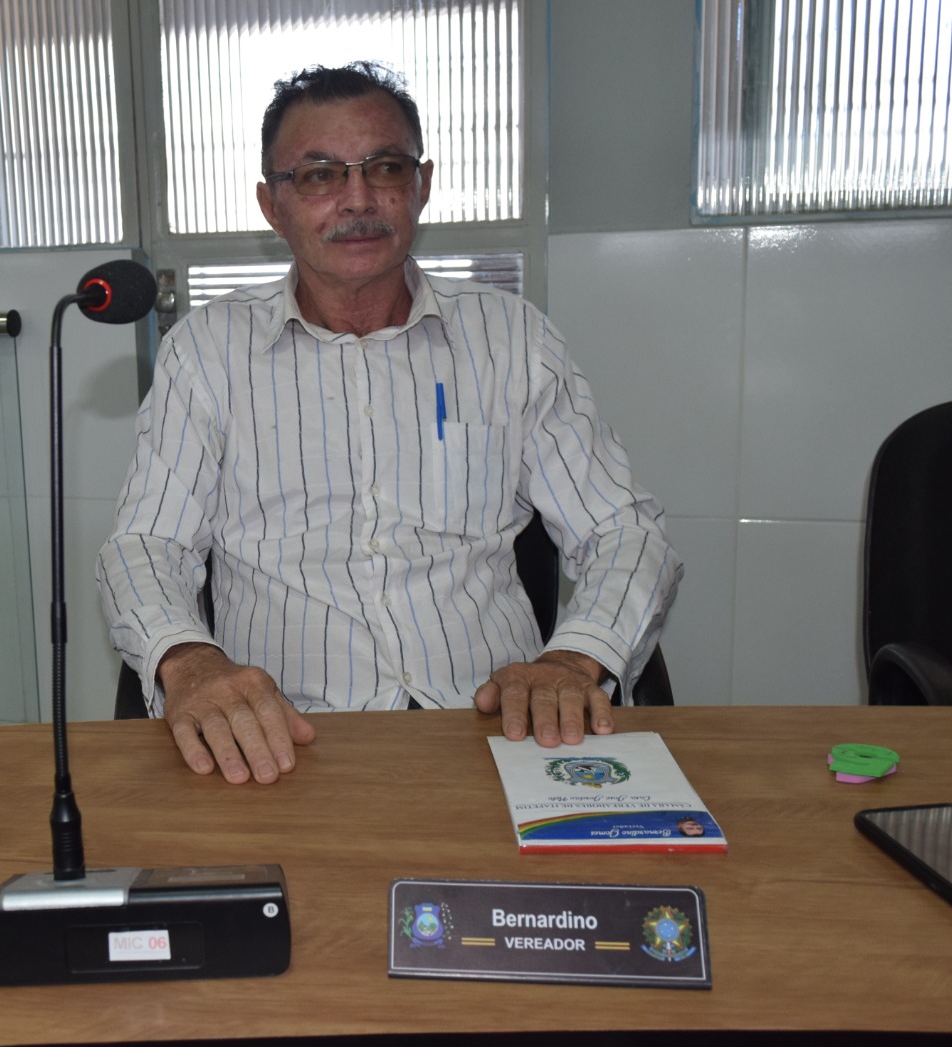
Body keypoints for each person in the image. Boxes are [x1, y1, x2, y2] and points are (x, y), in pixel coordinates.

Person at [97, 62, 682, 785]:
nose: (358, 198)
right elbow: (145, 545)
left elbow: (624, 530)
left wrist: (573, 658)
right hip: (285, 740)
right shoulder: (206, 352)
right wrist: (189, 662)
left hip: (494, 729)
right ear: (272, 206)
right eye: (319, 175)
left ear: (421, 185)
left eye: (386, 168)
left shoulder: (512, 339)